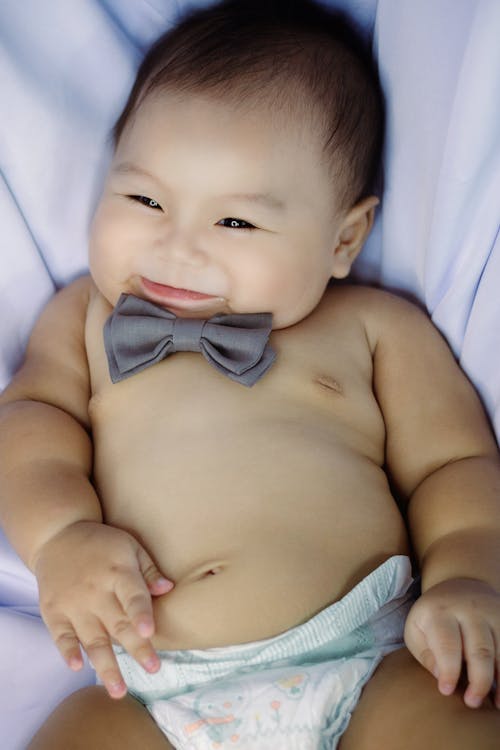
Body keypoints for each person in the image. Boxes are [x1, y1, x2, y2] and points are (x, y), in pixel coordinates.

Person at [0, 0, 499, 747]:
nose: (177, 246)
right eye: (144, 198)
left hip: (364, 660)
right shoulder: (85, 318)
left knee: (453, 722)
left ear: (344, 238)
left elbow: (455, 463)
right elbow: (32, 422)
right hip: (146, 689)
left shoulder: (376, 327)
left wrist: (467, 574)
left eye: (235, 222)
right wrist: (61, 536)